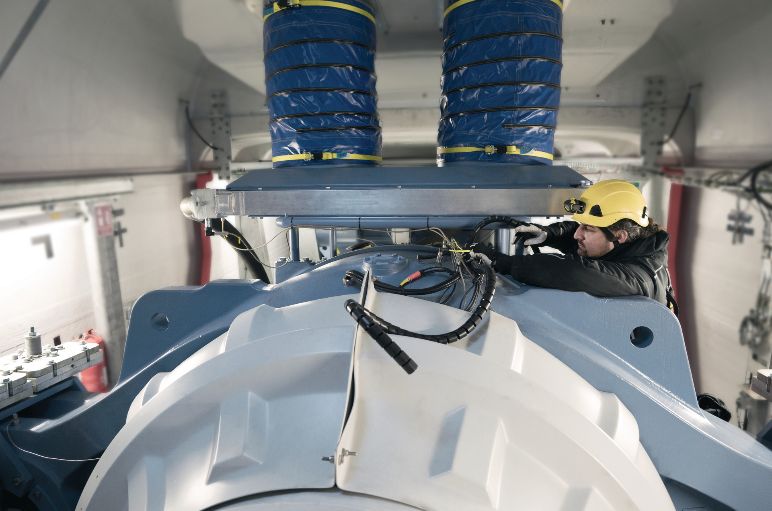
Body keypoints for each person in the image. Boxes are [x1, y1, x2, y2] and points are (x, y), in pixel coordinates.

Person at [477, 179, 677, 311]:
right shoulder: (631, 244)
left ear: (620, 236)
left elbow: (574, 271)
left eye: (588, 229)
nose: (578, 234)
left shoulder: (639, 277)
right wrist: (549, 234)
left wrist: (504, 263)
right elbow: (592, 241)